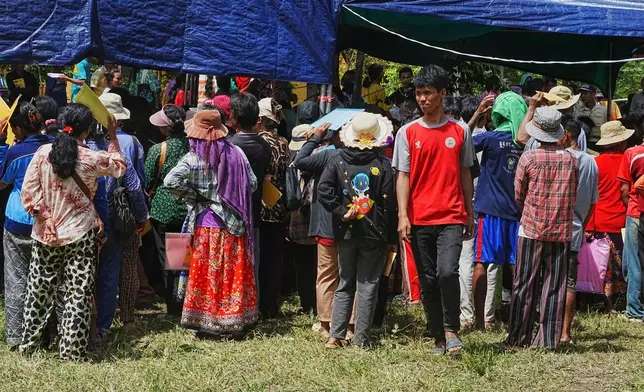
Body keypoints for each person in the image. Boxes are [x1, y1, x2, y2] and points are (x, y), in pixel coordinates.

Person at [19, 104, 126, 360]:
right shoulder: (92, 158)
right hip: (81, 233)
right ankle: (72, 351)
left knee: (38, 290)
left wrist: (44, 217)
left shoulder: (43, 152)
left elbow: (28, 192)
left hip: (47, 233)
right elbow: (120, 167)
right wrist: (112, 136)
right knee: (78, 293)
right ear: (87, 130)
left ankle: (29, 346)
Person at [393, 64, 475, 355]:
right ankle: (438, 335)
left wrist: (470, 211)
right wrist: (403, 215)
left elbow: (466, 172)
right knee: (427, 279)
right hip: (418, 218)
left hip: (451, 215)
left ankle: (452, 329)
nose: (422, 99)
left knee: (447, 272)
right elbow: (402, 175)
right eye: (419, 93)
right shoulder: (407, 132)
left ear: (442, 93)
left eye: (428, 93)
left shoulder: (460, 130)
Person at [163, 110, 259, 337]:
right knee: (229, 274)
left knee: (206, 274)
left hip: (204, 225)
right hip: (234, 225)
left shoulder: (193, 158)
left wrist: (193, 195)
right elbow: (252, 184)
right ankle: (232, 320)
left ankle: (205, 320)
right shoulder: (237, 154)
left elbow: (170, 181)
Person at [318, 113, 397, 347]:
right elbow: (390, 204)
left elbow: (324, 190)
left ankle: (336, 335)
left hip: (345, 232)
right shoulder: (382, 164)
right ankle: (361, 338)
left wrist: (342, 210)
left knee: (345, 281)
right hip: (374, 234)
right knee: (367, 284)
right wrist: (391, 237)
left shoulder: (337, 159)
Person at [503, 107, 578, 350]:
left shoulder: (529, 158)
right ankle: (548, 340)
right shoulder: (571, 160)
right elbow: (573, 194)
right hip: (561, 230)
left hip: (532, 228)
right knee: (555, 285)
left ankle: (517, 338)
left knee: (524, 283)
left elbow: (518, 194)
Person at [471, 92, 526, 330]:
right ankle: (518, 318)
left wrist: (476, 115)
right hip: (517, 212)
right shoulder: (526, 142)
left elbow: (460, 142)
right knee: (517, 266)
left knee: (481, 262)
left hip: (489, 211)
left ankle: (480, 321)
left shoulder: (489, 139)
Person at [93, 100, 149, 335]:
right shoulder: (124, 146)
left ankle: (85, 324)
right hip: (118, 218)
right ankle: (119, 321)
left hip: (86, 222)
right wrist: (141, 216)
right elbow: (135, 186)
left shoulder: (78, 148)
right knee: (119, 270)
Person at [0, 103, 53, 347]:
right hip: (49, 221)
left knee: (16, 279)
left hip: (18, 220)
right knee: (45, 280)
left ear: (20, 129)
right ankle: (43, 335)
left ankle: (15, 336)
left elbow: (2, 183)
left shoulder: (15, 152)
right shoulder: (55, 147)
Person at [294, 122, 345, 338]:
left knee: (326, 274)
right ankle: (348, 326)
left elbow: (300, 161)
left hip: (326, 224)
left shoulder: (328, 156)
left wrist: (315, 137)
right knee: (349, 276)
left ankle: (326, 325)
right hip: (353, 225)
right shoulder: (372, 157)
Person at [145, 104, 190, 314]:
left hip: (163, 210)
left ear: (164, 129)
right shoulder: (193, 147)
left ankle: (173, 305)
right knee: (182, 259)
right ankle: (184, 302)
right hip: (188, 209)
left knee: (166, 259)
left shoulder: (158, 150)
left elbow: (148, 180)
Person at [559, 119, 599, 344]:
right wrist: (582, 223)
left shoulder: (558, 157)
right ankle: (565, 333)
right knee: (569, 282)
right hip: (575, 227)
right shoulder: (591, 162)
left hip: (551, 227)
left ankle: (549, 328)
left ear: (566, 135)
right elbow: (593, 201)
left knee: (550, 279)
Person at [228, 93, 271, 296]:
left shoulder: (229, 146)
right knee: (253, 260)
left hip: (230, 213)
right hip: (254, 211)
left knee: (232, 263)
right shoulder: (264, 146)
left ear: (234, 118)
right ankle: (252, 305)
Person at [585, 121, 631, 311]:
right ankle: (624, 301)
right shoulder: (626, 161)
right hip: (621, 221)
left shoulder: (595, 163)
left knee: (603, 265)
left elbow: (589, 195)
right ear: (621, 142)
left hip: (599, 220)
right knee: (623, 264)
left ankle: (606, 302)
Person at [257, 98, 291, 318]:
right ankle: (272, 303)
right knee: (275, 258)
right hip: (280, 206)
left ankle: (260, 303)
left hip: (261, 206)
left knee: (260, 258)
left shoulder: (259, 142)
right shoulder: (283, 142)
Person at [617, 134, 644, 321]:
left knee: (633, 262)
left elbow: (624, 189)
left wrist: (630, 207)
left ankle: (634, 309)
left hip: (636, 212)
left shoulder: (632, 153)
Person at [100, 93, 146, 186]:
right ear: (120, 119)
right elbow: (139, 176)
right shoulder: (132, 142)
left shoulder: (86, 140)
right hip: (121, 195)